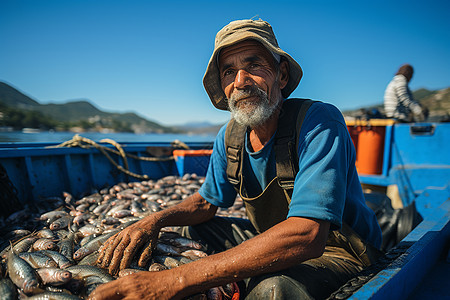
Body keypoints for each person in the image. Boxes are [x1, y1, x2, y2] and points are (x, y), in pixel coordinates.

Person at [90, 19, 382, 300]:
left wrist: (176, 280)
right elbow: (206, 204)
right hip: (269, 235)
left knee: (274, 289)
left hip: (339, 251)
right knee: (186, 231)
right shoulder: (230, 136)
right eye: (229, 72)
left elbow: (308, 234)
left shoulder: (318, 122)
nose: (240, 81)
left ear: (281, 75)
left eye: (253, 65)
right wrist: (153, 220)